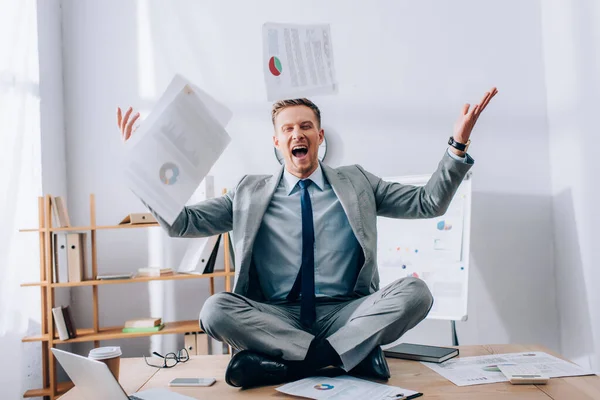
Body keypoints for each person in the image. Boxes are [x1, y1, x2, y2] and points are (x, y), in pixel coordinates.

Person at [116, 87, 497, 388]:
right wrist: (144, 167)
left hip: (346, 311)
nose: (297, 134)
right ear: (277, 142)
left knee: (417, 293)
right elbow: (181, 222)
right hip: (276, 315)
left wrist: (457, 147)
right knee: (214, 310)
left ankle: (287, 366)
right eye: (288, 129)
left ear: (320, 135)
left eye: (305, 126)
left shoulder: (357, 181)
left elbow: (428, 203)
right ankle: (346, 357)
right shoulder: (248, 192)